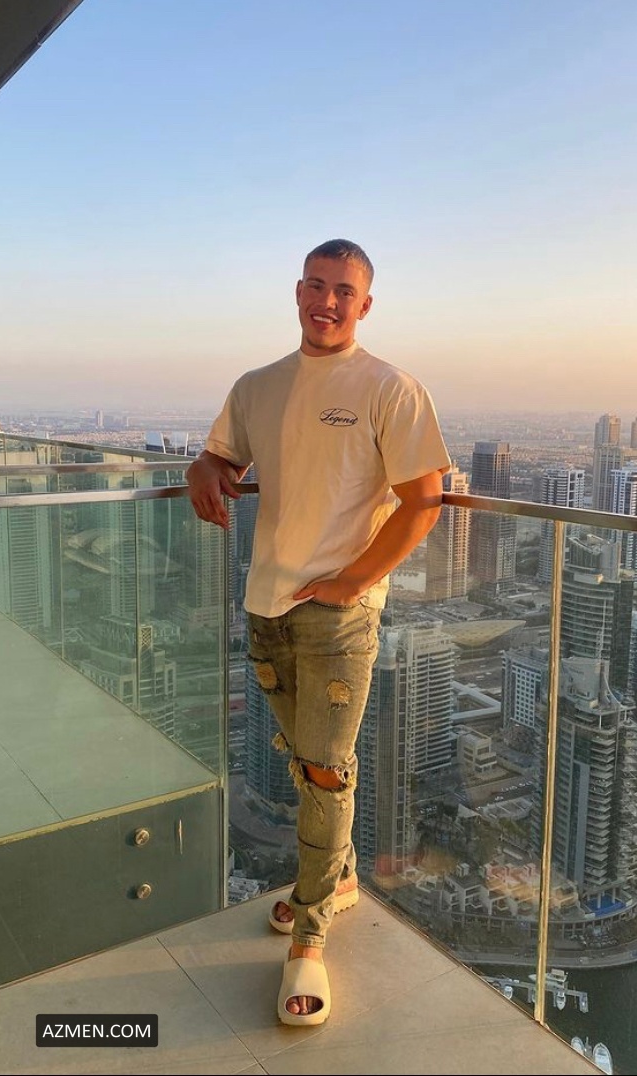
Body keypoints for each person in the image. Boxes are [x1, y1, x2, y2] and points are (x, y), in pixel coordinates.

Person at [187, 238, 451, 1026]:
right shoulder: (257, 386)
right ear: (297, 291)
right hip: (265, 604)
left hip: (339, 616)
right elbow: (220, 456)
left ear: (365, 305)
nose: (326, 301)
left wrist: (351, 581)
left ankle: (309, 935)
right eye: (315, 285)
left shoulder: (390, 388)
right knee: (307, 763)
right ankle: (339, 878)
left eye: (343, 290)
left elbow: (424, 501)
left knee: (326, 770)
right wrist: (204, 470)